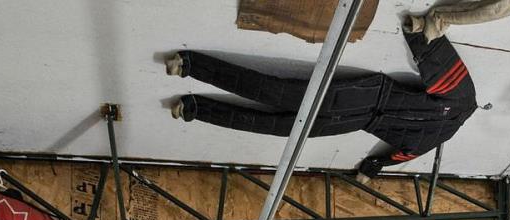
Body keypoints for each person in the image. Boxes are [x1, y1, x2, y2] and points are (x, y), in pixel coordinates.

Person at [167, 17, 478, 176]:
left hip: (359, 119)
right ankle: (191, 65)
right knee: (281, 93)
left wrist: (372, 167)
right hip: (369, 96)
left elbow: (395, 158)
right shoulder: (461, 102)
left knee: (279, 127)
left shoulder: (436, 138)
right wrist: (420, 34)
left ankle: (195, 108)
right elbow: (445, 67)